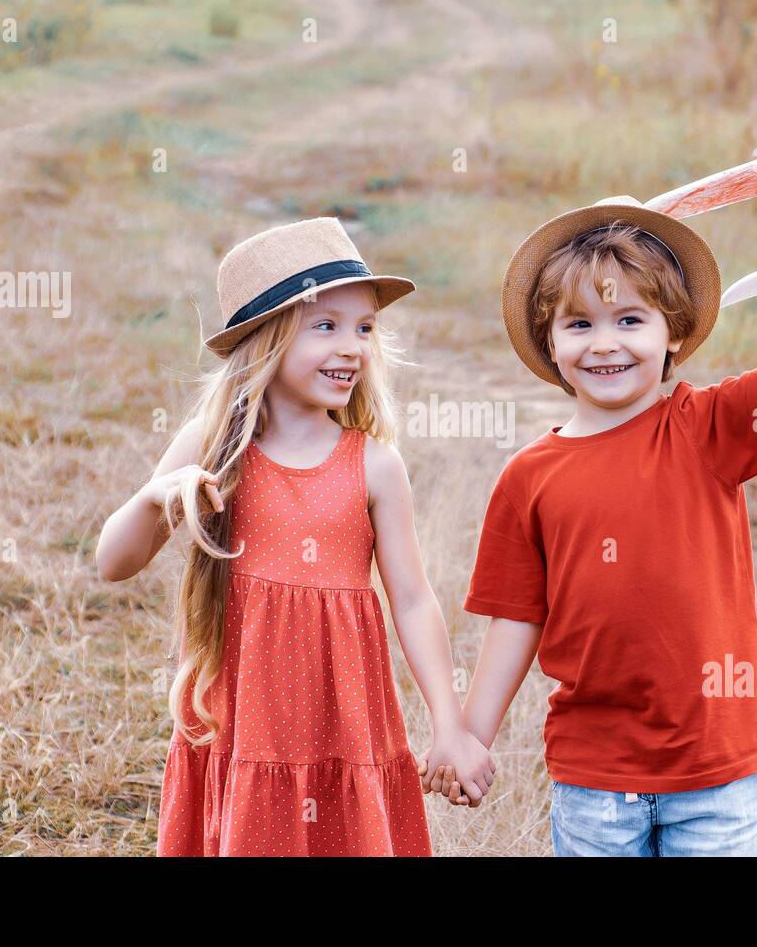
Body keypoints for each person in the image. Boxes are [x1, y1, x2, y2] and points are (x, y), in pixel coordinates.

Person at [430, 157, 757, 855]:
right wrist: (469, 735)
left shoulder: (707, 427)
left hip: (718, 771)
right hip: (594, 780)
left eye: (629, 319)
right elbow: (516, 620)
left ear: (672, 331)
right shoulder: (528, 477)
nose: (604, 342)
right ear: (550, 342)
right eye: (579, 324)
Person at [97, 216, 493, 855]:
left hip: (344, 731)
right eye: (326, 327)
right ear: (265, 340)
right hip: (243, 726)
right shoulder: (214, 449)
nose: (353, 347)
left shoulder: (374, 465)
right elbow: (112, 563)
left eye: (365, 328)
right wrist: (154, 500)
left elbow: (414, 601)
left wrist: (448, 726)